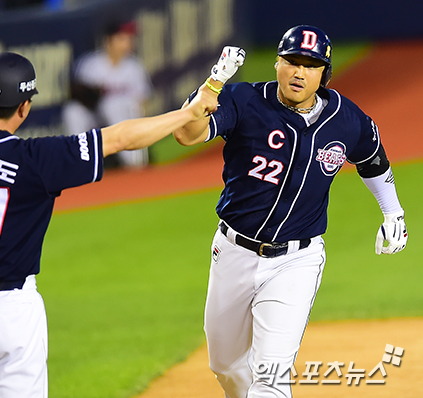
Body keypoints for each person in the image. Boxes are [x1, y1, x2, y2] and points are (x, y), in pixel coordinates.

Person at [0, 51, 216, 398]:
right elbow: (119, 139)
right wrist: (186, 114)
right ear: (24, 107)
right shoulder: (35, 159)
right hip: (11, 311)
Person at [173, 25, 408, 398]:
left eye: (311, 65)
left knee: (271, 377)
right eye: (291, 61)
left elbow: (373, 160)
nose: (299, 72)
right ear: (277, 63)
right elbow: (186, 134)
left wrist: (393, 213)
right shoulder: (243, 100)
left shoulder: (346, 119)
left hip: (296, 261)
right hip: (232, 252)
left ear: (323, 74)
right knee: (225, 365)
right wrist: (214, 84)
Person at [62, 20, 153, 168]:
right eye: (122, 38)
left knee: (112, 106)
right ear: (108, 41)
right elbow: (79, 97)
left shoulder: (134, 67)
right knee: (71, 111)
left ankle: (136, 164)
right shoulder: (91, 64)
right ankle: (78, 165)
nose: (127, 43)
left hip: (124, 117)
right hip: (95, 116)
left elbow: (142, 101)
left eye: (129, 39)